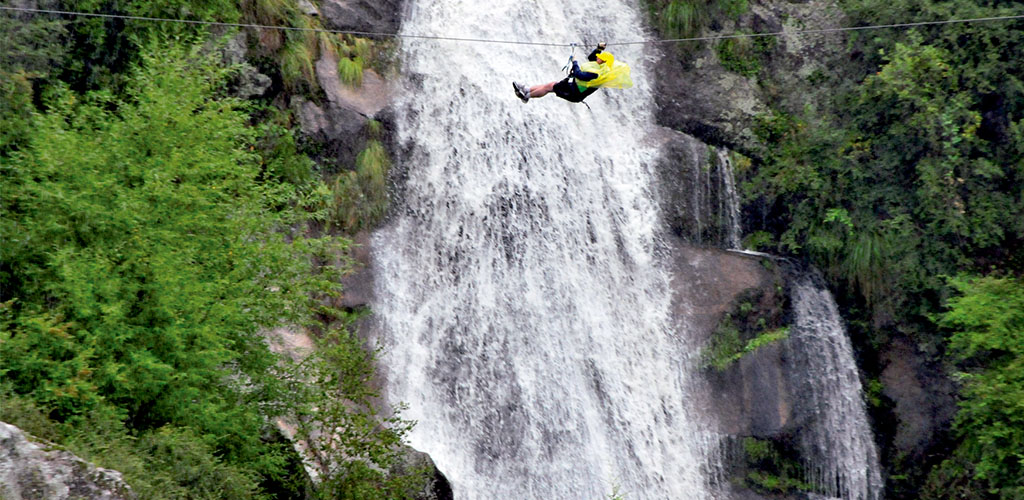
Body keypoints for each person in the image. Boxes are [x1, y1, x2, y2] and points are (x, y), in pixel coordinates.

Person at [513, 43, 632, 104]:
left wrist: (575, 62)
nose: (597, 58)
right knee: (550, 85)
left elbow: (579, 75)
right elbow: (591, 57)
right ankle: (526, 89)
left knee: (549, 87)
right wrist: (599, 49)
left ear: (603, 61)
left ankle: (526, 96)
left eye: (600, 57)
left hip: (574, 92)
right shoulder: (601, 66)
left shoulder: (598, 74)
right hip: (573, 86)